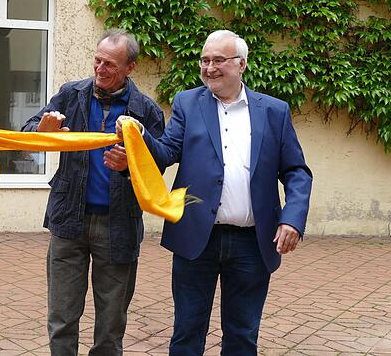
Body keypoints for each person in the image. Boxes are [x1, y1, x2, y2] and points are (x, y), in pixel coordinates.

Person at [117, 30, 312, 355]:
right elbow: (165, 153)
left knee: (242, 336)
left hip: (253, 243)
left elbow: (296, 172)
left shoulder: (273, 111)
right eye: (204, 60)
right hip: (197, 240)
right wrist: (138, 134)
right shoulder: (187, 103)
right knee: (187, 333)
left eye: (218, 60)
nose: (209, 68)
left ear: (241, 64)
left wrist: (292, 220)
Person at [22, 29, 165, 355]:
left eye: (110, 64)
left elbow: (160, 164)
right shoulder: (71, 94)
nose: (100, 69)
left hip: (119, 226)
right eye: (97, 60)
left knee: (111, 325)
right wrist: (41, 132)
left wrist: (129, 165)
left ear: (130, 67)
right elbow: (28, 133)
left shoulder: (146, 110)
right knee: (61, 318)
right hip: (68, 221)